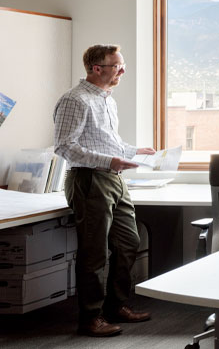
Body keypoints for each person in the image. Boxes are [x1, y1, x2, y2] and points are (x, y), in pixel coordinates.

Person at [54, 45, 155, 337]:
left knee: (129, 242)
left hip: (114, 179)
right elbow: (65, 146)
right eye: (117, 66)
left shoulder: (107, 100)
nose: (122, 71)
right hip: (90, 180)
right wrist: (110, 161)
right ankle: (90, 318)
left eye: (122, 65)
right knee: (94, 252)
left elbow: (108, 142)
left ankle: (116, 306)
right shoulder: (76, 100)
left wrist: (136, 151)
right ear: (96, 69)